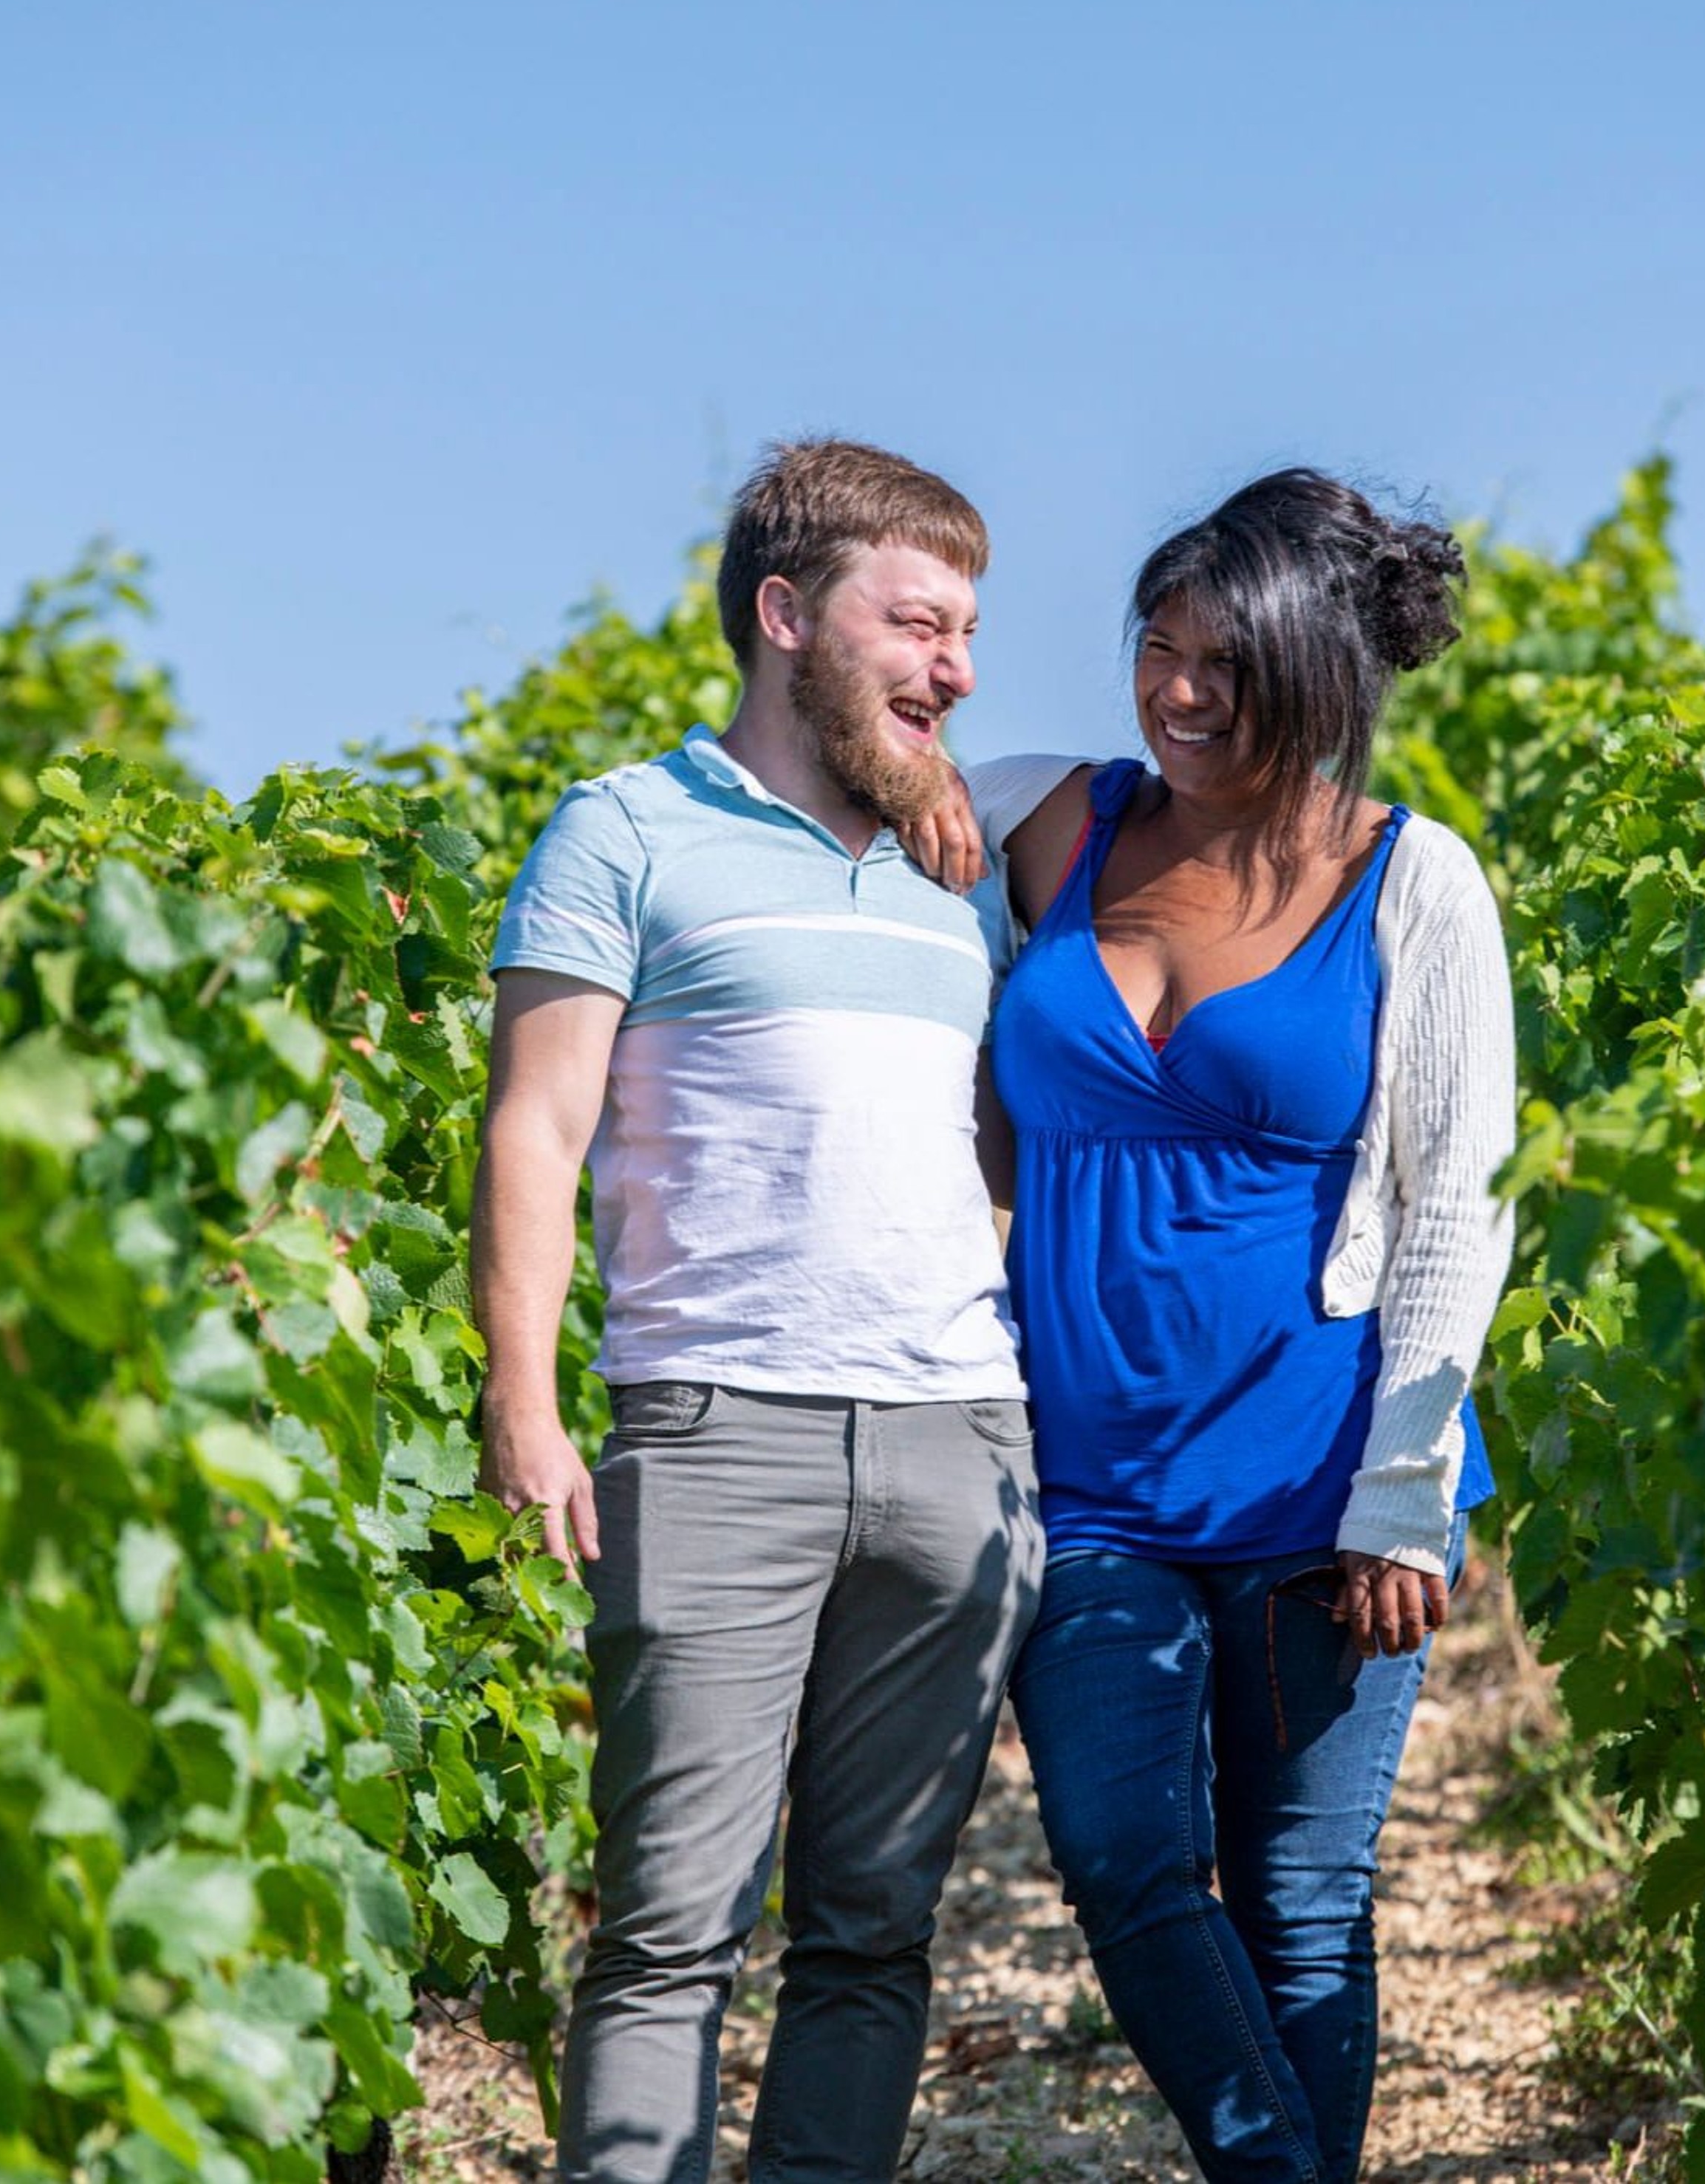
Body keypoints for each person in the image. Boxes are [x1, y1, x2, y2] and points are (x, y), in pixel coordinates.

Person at [471, 438, 1044, 2184]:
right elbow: (537, 1123)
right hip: (720, 1433)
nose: (953, 667)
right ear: (785, 615)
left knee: (874, 1941)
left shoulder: (965, 875)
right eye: (918, 624)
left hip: (961, 1448)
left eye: (967, 635)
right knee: (669, 1934)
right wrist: (527, 1407)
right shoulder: (625, 830)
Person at [967, 469, 1515, 2183]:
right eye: (1158, 647)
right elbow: (845, 786)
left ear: (1326, 677)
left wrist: (1404, 1499)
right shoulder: (1048, 824)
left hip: (1322, 1483)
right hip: (1091, 1477)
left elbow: (1458, 1204)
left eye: (1228, 664)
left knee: (1297, 1905)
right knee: (1123, 1856)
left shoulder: (1414, 886)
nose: (1179, 692)